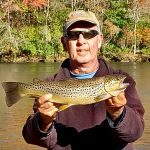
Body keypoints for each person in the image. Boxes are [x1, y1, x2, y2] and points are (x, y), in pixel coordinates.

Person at [22, 10, 145, 150]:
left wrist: (118, 113)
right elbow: (30, 137)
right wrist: (43, 121)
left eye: (89, 34)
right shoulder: (50, 85)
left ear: (100, 40)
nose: (81, 41)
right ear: (64, 43)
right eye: (74, 35)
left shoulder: (123, 79)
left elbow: (136, 132)